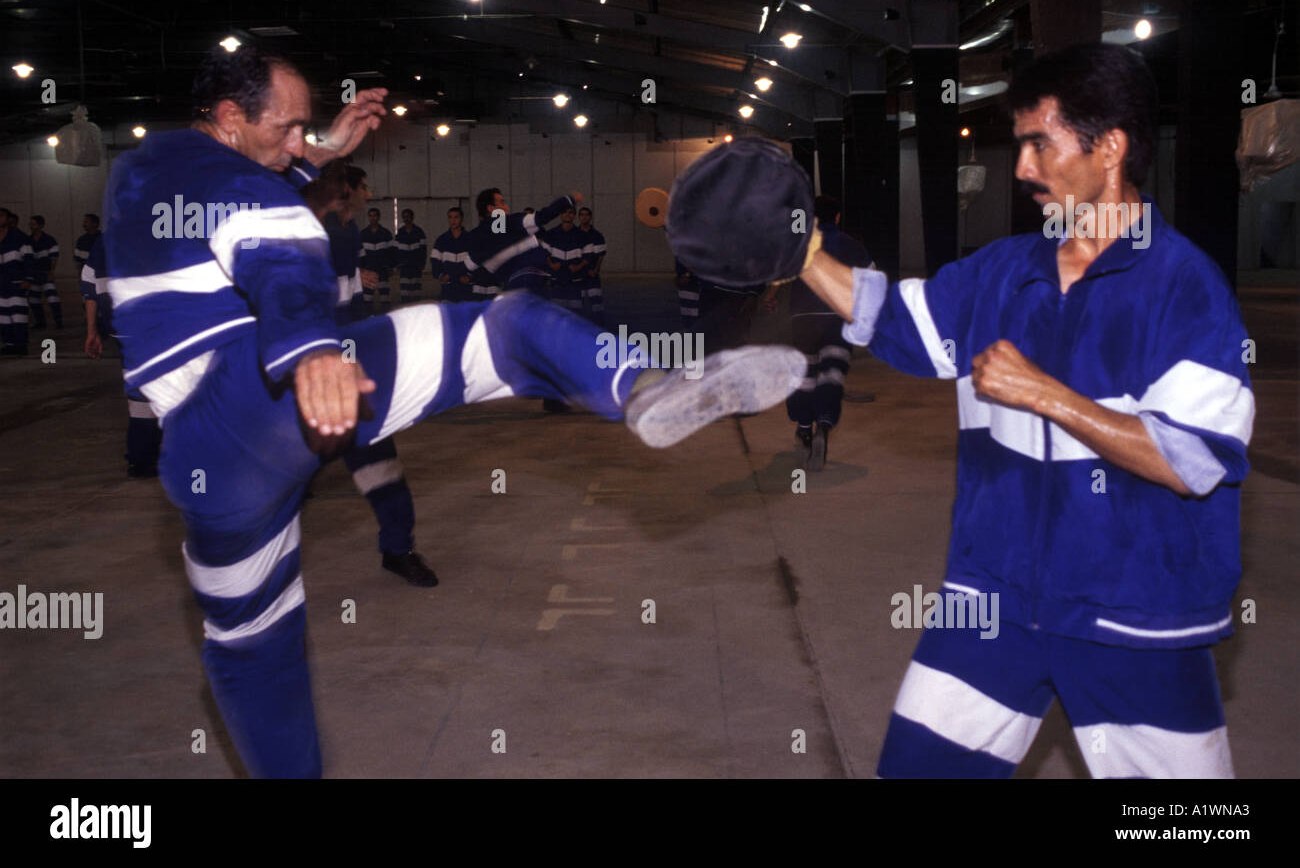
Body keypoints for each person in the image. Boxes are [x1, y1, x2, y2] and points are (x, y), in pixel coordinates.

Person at [102, 44, 803, 778]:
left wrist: (323, 150)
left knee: (253, 648)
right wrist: (310, 348)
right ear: (225, 117)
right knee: (504, 330)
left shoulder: (152, 174)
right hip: (260, 396)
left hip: (210, 468)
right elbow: (270, 243)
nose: (296, 143)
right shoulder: (197, 169)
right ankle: (641, 389)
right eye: (286, 128)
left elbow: (246, 179)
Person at [796, 42, 1253, 778]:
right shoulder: (1004, 272)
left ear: (1110, 148)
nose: (1022, 169)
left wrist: (1047, 394)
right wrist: (805, 254)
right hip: (991, 601)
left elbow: (1191, 458)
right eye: (1021, 145)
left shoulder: (1187, 290)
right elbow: (896, 316)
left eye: (1040, 143)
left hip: (1134, 619)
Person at [302, 162, 436, 587]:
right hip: (312, 368)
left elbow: (349, 300)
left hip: (345, 364)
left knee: (380, 463)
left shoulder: (349, 231)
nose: (370, 193)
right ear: (347, 191)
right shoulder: (314, 230)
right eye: (364, 187)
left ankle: (397, 549)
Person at [768, 195, 874, 471]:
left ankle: (804, 427)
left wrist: (771, 297)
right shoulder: (852, 245)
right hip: (838, 320)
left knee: (805, 373)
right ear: (837, 217)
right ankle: (823, 426)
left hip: (803, 318)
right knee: (831, 373)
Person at [81, 230, 162, 477]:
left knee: (140, 398)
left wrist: (92, 330)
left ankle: (140, 460)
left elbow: (89, 287)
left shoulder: (104, 240)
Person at [0, 207, 34, 356]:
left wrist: (28, 279)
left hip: (16, 283)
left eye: (1, 216)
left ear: (8, 219)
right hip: (1, 285)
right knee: (3, 316)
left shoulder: (19, 237)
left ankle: (21, 345)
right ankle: (9, 344)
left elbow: (29, 259)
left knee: (18, 315)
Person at [545, 206, 587, 314]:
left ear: (574, 216)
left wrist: (578, 267)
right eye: (565, 212)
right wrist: (552, 265)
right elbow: (544, 253)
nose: (568, 215)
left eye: (571, 213)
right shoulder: (551, 233)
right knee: (557, 313)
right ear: (560, 215)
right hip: (557, 280)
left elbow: (588, 256)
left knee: (575, 313)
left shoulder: (581, 235)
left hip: (575, 280)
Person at [26, 215, 63, 329]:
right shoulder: (28, 240)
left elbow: (54, 257)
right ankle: (40, 323)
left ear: (41, 225)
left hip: (46, 272)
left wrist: (51, 272)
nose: (31, 226)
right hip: (34, 274)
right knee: (34, 300)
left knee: (52, 299)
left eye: (34, 224)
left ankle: (58, 321)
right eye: (30, 224)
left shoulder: (49, 240)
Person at [431, 206, 473, 302]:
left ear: (462, 219)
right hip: (448, 287)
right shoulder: (441, 240)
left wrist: (470, 276)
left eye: (456, 217)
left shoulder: (470, 238)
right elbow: (434, 260)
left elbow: (477, 260)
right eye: (450, 217)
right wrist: (441, 275)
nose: (453, 220)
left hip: (466, 288)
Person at [358, 207, 394, 310]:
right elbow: (360, 253)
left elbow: (391, 251)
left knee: (385, 298)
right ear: (368, 217)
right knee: (367, 299)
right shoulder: (363, 234)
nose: (373, 218)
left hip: (383, 270)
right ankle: (369, 320)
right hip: (368, 270)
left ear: (379, 217)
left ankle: (385, 319)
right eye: (370, 215)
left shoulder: (386, 233)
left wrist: (390, 266)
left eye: (375, 215)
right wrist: (361, 269)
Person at [575, 206, 606, 322]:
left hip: (593, 275)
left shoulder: (597, 235)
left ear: (590, 217)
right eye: (582, 215)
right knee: (579, 303)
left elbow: (600, 255)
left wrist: (595, 270)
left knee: (596, 303)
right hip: (579, 275)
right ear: (579, 217)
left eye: (586, 215)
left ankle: (599, 327)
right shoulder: (574, 234)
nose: (584, 217)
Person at [394, 208, 427, 302]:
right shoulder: (400, 233)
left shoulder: (419, 232)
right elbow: (396, 250)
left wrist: (422, 263)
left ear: (412, 217)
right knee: (405, 292)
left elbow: (423, 249)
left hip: (416, 266)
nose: (406, 219)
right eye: (404, 217)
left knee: (416, 292)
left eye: (408, 216)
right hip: (404, 267)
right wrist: (397, 264)